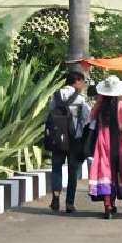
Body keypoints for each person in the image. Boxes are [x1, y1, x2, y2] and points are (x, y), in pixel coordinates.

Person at [88, 75, 122, 219]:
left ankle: (107, 206)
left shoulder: (101, 102)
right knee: (119, 170)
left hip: (103, 139)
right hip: (119, 141)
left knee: (105, 171)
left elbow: (91, 117)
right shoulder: (121, 104)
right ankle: (115, 202)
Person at [48, 72, 91, 214]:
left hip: (57, 139)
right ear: (76, 81)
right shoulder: (80, 99)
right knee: (72, 172)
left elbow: (50, 112)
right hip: (74, 140)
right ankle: (69, 203)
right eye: (82, 82)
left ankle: (55, 196)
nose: (83, 85)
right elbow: (87, 118)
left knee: (56, 168)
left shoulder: (55, 96)